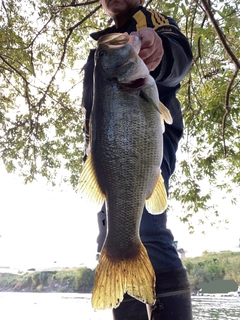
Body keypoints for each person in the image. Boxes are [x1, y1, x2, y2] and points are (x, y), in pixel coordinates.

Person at [82, 1, 193, 319]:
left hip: (144, 148)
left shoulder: (149, 21)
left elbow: (178, 60)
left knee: (146, 229)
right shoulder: (106, 45)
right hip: (106, 159)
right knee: (111, 236)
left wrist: (158, 50)